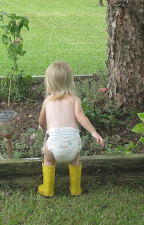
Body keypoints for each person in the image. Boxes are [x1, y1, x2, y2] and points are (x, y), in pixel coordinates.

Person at [38, 61, 104, 197]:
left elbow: (41, 121)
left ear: (49, 82)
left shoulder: (47, 101)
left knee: (48, 160)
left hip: (54, 143)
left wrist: (44, 130)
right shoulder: (75, 100)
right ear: (69, 81)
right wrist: (93, 132)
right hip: (72, 142)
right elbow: (81, 117)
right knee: (74, 161)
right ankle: (75, 189)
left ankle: (48, 189)